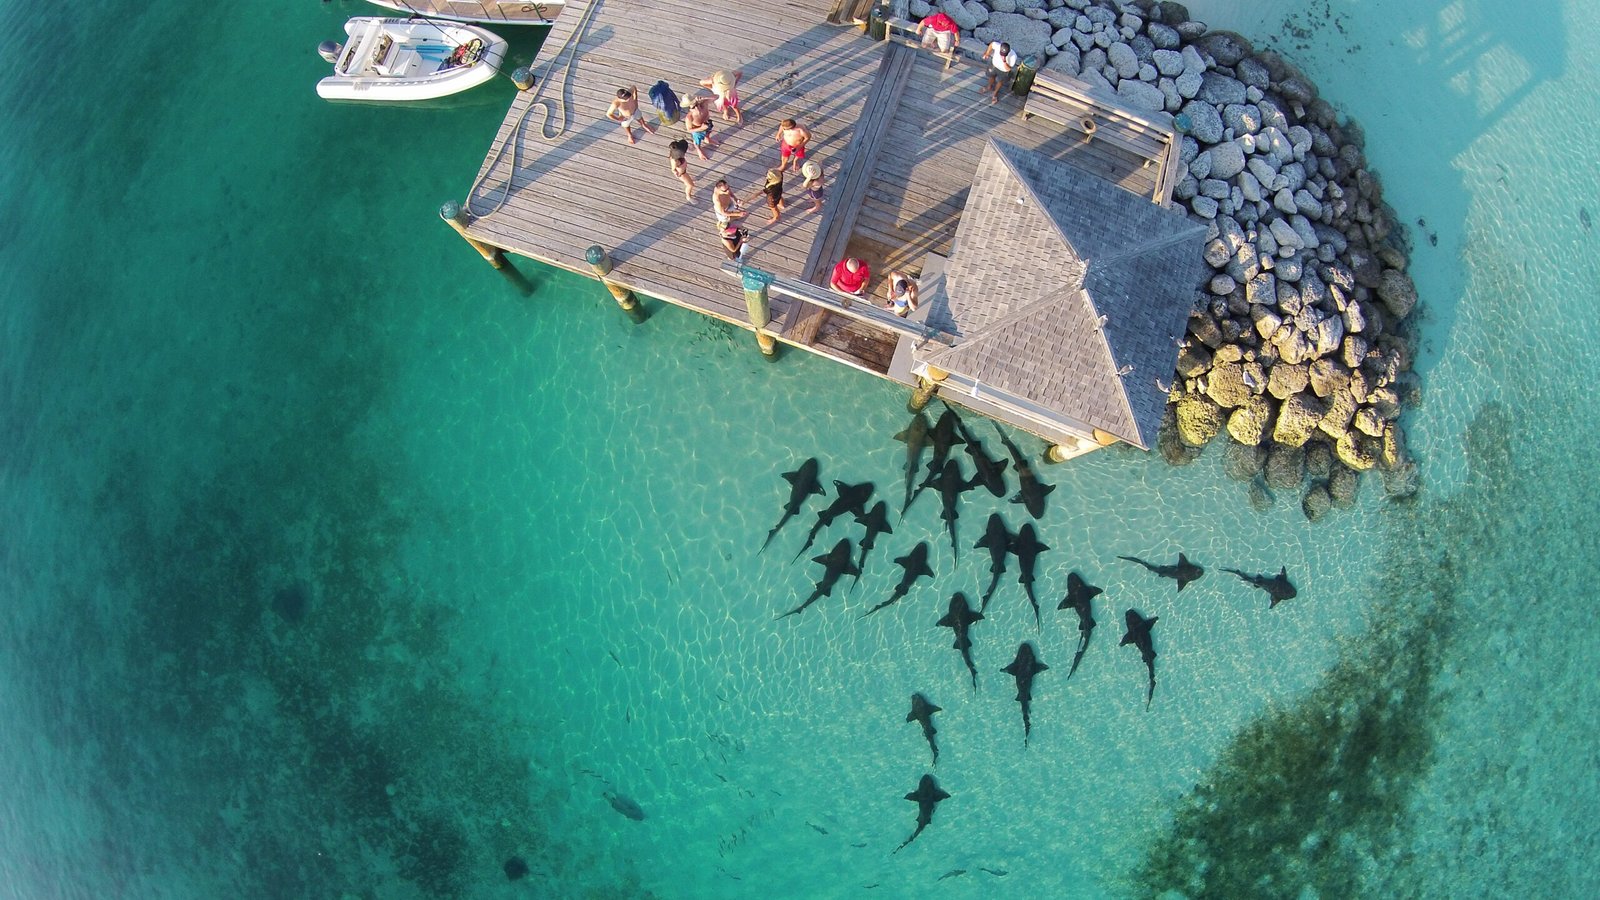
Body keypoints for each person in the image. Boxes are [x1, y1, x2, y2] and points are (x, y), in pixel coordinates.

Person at [682, 94, 716, 160]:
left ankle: (707, 139)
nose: (697, 108)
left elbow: (717, 96)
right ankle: (699, 150)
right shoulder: (689, 117)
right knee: (697, 142)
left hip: (707, 125)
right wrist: (701, 128)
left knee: (708, 133)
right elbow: (689, 130)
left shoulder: (704, 104)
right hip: (698, 131)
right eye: (693, 107)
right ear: (689, 108)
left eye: (696, 105)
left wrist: (704, 97)